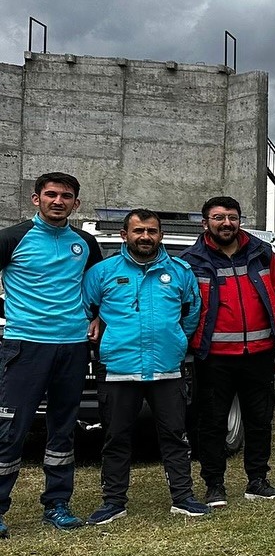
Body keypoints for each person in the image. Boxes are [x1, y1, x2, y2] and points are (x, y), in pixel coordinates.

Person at [80, 209, 208, 523]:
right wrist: (101, 329)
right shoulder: (102, 272)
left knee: (175, 436)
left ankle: (183, 497)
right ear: (125, 235)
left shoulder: (180, 271)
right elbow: (87, 308)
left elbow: (192, 311)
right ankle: (113, 502)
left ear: (160, 235)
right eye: (138, 230)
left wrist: (177, 339)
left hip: (166, 369)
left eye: (152, 231)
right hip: (118, 369)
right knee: (116, 437)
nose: (145, 237)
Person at [0, 172, 102, 535]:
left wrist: (98, 318)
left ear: (77, 203)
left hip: (73, 347)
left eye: (66, 196)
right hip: (24, 346)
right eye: (51, 194)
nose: (58, 201)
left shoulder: (86, 243)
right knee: (10, 428)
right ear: (36, 199)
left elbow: (97, 290)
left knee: (63, 427)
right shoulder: (12, 238)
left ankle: (57, 504)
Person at [183, 194, 275, 505]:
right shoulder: (191, 261)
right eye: (218, 218)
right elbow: (185, 305)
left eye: (232, 217)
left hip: (259, 352)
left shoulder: (262, 253)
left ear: (240, 220)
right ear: (205, 223)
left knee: (259, 419)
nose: (226, 223)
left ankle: (258, 480)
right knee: (212, 423)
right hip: (214, 357)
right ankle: (214, 484)